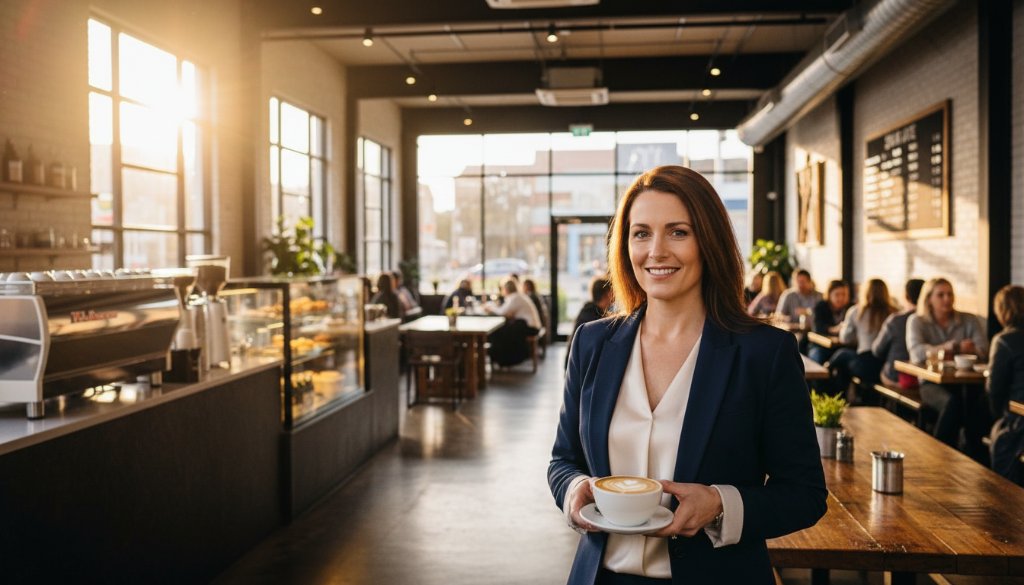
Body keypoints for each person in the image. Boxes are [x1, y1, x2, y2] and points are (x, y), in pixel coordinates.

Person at [548, 165, 826, 585]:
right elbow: (562, 461)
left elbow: (804, 494)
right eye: (641, 233)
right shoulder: (591, 343)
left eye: (678, 232)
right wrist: (575, 490)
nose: (656, 251)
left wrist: (720, 503)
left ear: (708, 241)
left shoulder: (764, 354)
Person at [907, 277, 988, 450]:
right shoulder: (917, 321)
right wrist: (952, 346)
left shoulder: (968, 320)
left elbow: (983, 350)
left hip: (966, 381)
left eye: (950, 294)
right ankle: (940, 453)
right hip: (930, 382)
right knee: (953, 403)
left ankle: (972, 454)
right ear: (929, 298)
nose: (947, 299)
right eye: (941, 295)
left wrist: (969, 350)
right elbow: (917, 354)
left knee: (978, 403)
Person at [830, 278, 897, 402]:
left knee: (841, 357)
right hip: (887, 366)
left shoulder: (856, 311)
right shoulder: (894, 313)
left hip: (865, 365)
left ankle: (838, 398)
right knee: (842, 356)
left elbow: (845, 338)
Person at [986, 285, 1024, 484]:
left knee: (997, 434)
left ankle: (1003, 495)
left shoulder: (1004, 340)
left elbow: (995, 390)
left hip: (1019, 422)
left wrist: (998, 417)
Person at [871, 278, 925, 389]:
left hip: (899, 377)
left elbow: (877, 350)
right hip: (924, 377)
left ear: (906, 297)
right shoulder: (932, 320)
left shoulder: (895, 320)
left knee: (882, 372)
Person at [485, 278, 541, 367]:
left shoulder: (515, 298)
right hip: (530, 325)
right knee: (502, 331)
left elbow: (502, 312)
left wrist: (490, 308)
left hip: (530, 327)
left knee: (499, 332)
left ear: (505, 289)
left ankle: (501, 358)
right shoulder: (517, 296)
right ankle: (500, 358)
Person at [565, 276, 614, 369]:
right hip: (578, 369)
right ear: (608, 294)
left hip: (572, 365)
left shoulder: (588, 310)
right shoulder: (595, 319)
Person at [807, 279, 851, 366]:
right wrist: (834, 329)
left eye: (844, 294)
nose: (841, 298)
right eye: (837, 295)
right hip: (820, 346)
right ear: (829, 295)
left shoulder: (851, 308)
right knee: (817, 356)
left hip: (842, 347)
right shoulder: (821, 306)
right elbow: (817, 328)